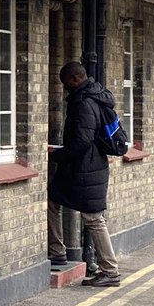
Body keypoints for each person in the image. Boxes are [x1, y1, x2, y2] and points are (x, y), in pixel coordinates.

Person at [47, 60, 122, 289]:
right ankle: (57, 251)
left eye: (66, 83)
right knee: (54, 200)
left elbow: (82, 140)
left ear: (75, 79)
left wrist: (56, 155)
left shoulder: (84, 103)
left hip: (85, 169)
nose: (65, 87)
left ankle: (110, 270)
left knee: (93, 218)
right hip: (89, 166)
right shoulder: (96, 96)